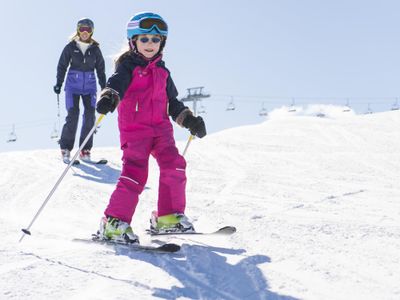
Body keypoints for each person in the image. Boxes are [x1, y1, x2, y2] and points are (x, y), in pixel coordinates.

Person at [95, 12, 206, 244]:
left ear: (162, 43)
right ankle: (114, 222)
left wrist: (190, 120)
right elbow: (115, 85)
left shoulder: (163, 72)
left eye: (155, 40)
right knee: (136, 174)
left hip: (161, 131)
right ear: (133, 41)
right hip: (135, 131)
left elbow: (173, 104)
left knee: (174, 165)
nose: (150, 44)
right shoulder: (127, 67)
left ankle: (167, 217)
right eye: (144, 39)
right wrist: (109, 97)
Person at [54, 18, 106, 163]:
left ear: (92, 31)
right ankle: (65, 149)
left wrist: (104, 86)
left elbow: (101, 69)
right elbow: (62, 65)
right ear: (78, 30)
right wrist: (59, 83)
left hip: (89, 87)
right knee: (73, 114)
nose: (85, 32)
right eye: (82, 29)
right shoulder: (70, 47)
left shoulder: (95, 49)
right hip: (72, 86)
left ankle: (85, 149)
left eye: (88, 29)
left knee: (90, 116)